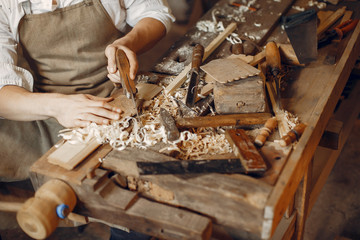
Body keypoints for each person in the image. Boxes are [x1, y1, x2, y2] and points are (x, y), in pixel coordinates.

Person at [0, 1, 174, 239]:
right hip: (44, 106)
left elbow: (155, 13)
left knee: (140, 186)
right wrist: (58, 105)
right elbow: (3, 95)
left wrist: (127, 43)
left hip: (112, 97)